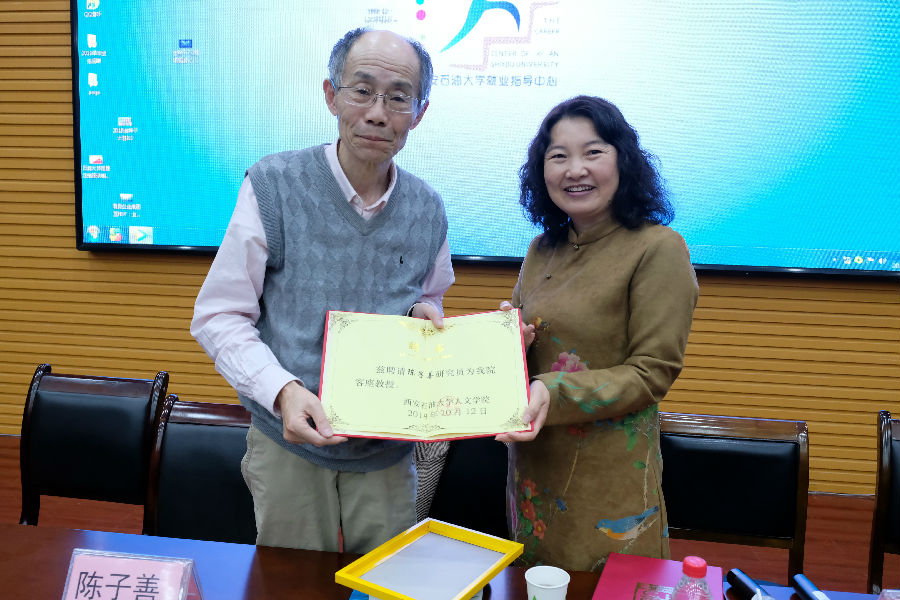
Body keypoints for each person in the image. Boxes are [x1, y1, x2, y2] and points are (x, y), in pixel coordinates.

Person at [190, 27, 454, 554]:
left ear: (419, 112)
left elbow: (429, 299)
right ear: (331, 95)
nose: (377, 113)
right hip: (289, 443)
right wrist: (282, 392)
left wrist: (424, 316)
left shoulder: (428, 208)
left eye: (398, 97)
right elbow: (219, 315)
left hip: (385, 453)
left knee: (385, 581)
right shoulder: (274, 184)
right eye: (362, 90)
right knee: (291, 583)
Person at [498, 96, 699, 572]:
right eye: (558, 156)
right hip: (533, 469)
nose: (575, 170)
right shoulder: (542, 248)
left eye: (593, 152)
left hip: (608, 477)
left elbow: (652, 372)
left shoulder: (658, 248)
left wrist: (554, 389)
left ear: (622, 160)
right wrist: (509, 344)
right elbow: (531, 345)